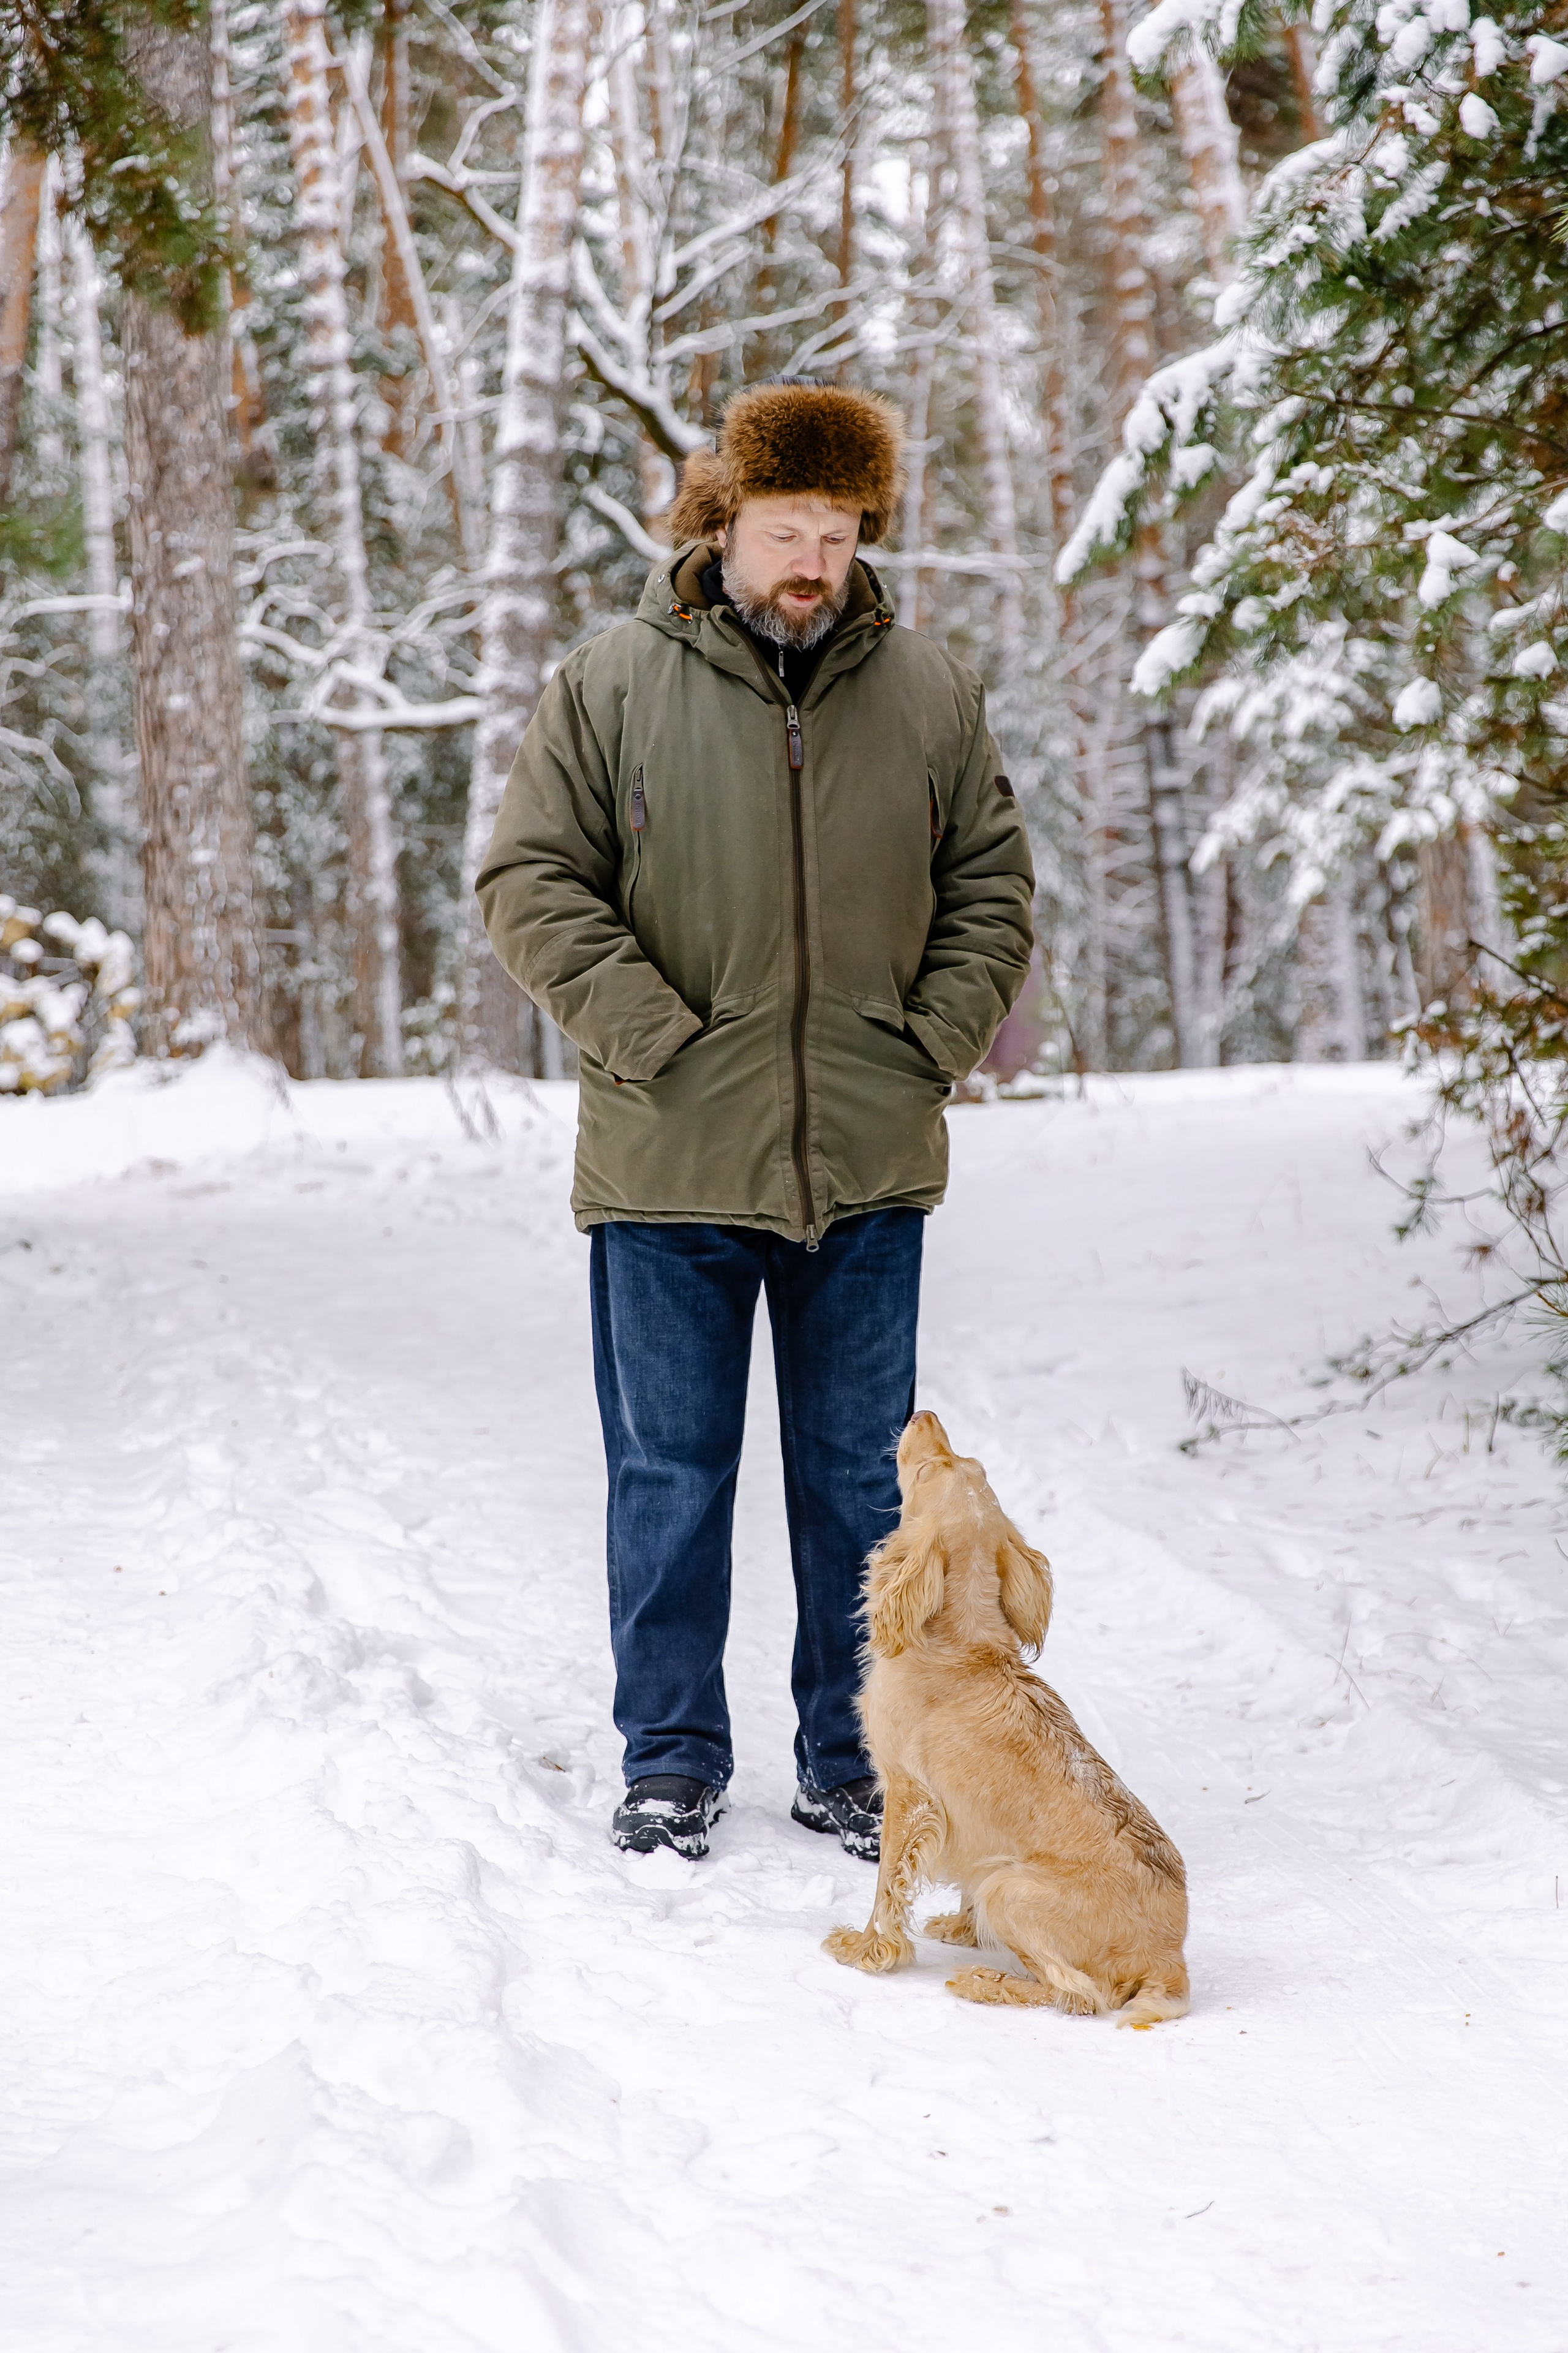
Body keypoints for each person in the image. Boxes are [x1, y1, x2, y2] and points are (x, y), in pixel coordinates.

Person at [477, 380, 1035, 1861]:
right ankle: (667, 1755)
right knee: (670, 1478)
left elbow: (990, 885)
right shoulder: (608, 680)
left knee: (860, 1490)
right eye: (787, 529)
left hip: (863, 1160)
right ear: (720, 522)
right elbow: (530, 882)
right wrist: (654, 1038)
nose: (813, 562)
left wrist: (928, 1044)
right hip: (667, 1163)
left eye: (839, 533)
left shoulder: (925, 690)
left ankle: (853, 1757)